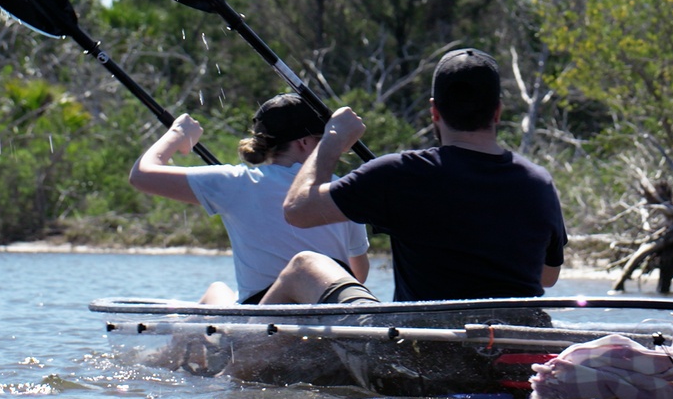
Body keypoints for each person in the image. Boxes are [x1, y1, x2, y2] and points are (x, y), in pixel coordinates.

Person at [275, 48, 566, 303]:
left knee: (304, 266)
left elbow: (298, 210)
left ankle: (238, 363)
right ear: (498, 112)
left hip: (422, 353)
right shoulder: (539, 182)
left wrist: (332, 140)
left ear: (434, 112)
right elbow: (547, 276)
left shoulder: (399, 174)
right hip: (516, 346)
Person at [128, 93, 370, 304]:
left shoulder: (237, 182)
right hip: (327, 308)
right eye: (323, 139)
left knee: (217, 292)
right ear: (305, 143)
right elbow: (357, 275)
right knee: (219, 292)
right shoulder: (344, 188)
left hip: (265, 318)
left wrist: (178, 134)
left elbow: (141, 175)